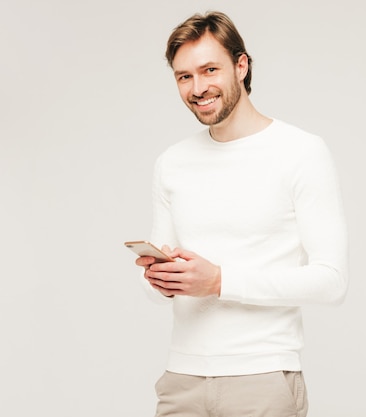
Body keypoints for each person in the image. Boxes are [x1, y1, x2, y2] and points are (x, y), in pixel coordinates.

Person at [134, 11, 349, 417]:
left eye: (209, 69)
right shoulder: (172, 162)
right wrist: (159, 279)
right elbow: (155, 287)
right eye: (184, 76)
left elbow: (332, 282)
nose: (198, 88)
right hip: (182, 379)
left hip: (262, 378)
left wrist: (219, 281)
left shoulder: (300, 152)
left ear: (241, 65)